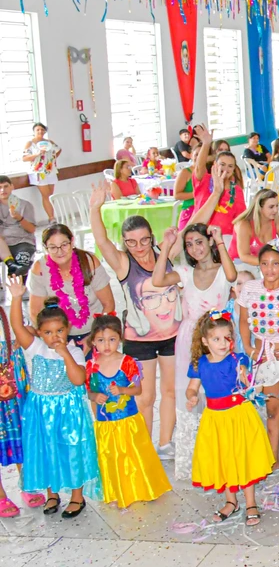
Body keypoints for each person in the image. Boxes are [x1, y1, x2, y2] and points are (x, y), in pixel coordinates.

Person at [89, 184, 181, 456]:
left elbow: (195, 221)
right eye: (131, 242)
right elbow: (101, 240)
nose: (139, 247)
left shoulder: (167, 254)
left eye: (143, 240)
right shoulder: (123, 263)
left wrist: (216, 190)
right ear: (124, 243)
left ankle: (165, 443)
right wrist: (96, 208)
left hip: (172, 337)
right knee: (145, 396)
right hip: (139, 341)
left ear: (151, 237)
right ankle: (143, 448)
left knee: (170, 391)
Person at [6, 281, 98, 518]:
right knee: (46, 450)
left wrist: (65, 353)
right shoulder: (35, 348)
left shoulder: (75, 351)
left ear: (68, 329)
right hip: (40, 409)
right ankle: (52, 494)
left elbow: (78, 380)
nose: (54, 336)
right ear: (39, 333)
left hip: (67, 410)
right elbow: (16, 326)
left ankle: (77, 497)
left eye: (59, 331)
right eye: (47, 332)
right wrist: (16, 298)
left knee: (70, 450)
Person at [152, 222, 235, 481]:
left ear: (209, 242)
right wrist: (165, 246)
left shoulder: (223, 271)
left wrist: (220, 239)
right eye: (189, 244)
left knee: (217, 394)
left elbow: (232, 276)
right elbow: (157, 280)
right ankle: (196, 459)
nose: (195, 248)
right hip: (190, 339)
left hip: (217, 339)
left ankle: (222, 454)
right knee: (189, 395)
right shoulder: (185, 272)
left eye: (199, 241)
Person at [186, 310, 273, 526]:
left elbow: (245, 378)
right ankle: (231, 501)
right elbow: (192, 387)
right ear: (205, 341)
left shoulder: (238, 359)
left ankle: (251, 502)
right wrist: (191, 397)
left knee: (242, 457)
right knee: (223, 458)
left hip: (238, 416)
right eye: (216, 339)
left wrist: (245, 375)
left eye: (227, 338)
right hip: (215, 419)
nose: (223, 343)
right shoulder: (199, 364)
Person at [235, 246, 279, 486]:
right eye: (264, 263)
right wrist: (248, 348)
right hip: (264, 357)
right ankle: (272, 458)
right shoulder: (250, 289)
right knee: (272, 411)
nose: (269, 269)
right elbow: (243, 320)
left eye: (275, 263)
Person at [83, 314, 171, 508]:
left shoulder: (127, 362)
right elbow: (89, 390)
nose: (106, 345)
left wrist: (123, 390)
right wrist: (94, 396)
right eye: (101, 340)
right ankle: (116, 489)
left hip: (128, 421)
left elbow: (138, 389)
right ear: (93, 342)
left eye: (112, 339)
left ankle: (141, 487)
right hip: (106, 424)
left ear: (120, 339)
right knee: (112, 457)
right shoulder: (91, 366)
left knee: (133, 455)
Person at [25, 225, 114, 348]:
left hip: (96, 332)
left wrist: (94, 337)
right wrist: (52, 339)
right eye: (53, 247)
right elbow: (35, 312)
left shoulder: (89, 262)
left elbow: (108, 304)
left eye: (64, 245)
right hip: (60, 337)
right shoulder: (40, 268)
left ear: (72, 242)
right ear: (46, 248)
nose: (60, 251)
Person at [21, 123, 60, 221]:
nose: (40, 131)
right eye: (38, 130)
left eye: (42, 129)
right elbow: (24, 158)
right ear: (34, 131)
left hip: (50, 171)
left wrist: (52, 159)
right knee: (46, 195)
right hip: (38, 172)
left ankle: (52, 215)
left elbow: (58, 150)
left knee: (51, 195)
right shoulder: (30, 143)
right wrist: (37, 154)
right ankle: (51, 218)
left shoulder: (49, 142)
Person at [0, 176, 37, 277]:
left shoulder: (25, 205)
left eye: (6, 186)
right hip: (2, 245)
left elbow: (32, 229)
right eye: (0, 187)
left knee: (21, 267)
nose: (3, 190)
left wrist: (19, 218)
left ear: (12, 187)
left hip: (22, 242)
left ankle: (23, 288)